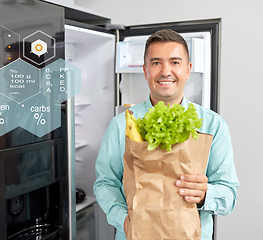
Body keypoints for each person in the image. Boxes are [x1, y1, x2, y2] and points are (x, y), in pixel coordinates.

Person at [93, 29, 239, 240]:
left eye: (175, 62)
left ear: (188, 70)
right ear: (145, 71)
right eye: (156, 63)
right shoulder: (121, 125)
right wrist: (124, 219)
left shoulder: (213, 126)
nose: (165, 71)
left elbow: (229, 195)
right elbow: (105, 183)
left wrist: (205, 195)